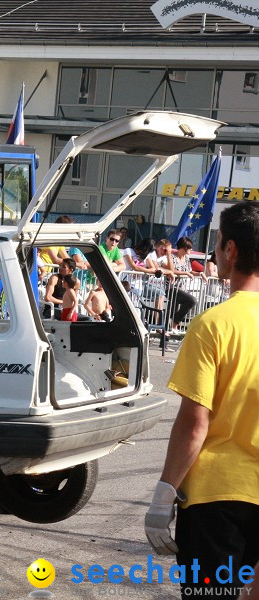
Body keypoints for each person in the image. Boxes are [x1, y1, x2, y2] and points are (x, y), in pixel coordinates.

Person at [144, 201, 259, 599]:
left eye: (217, 243)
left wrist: (164, 494)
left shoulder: (212, 324)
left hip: (215, 498)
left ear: (230, 250)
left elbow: (195, 424)